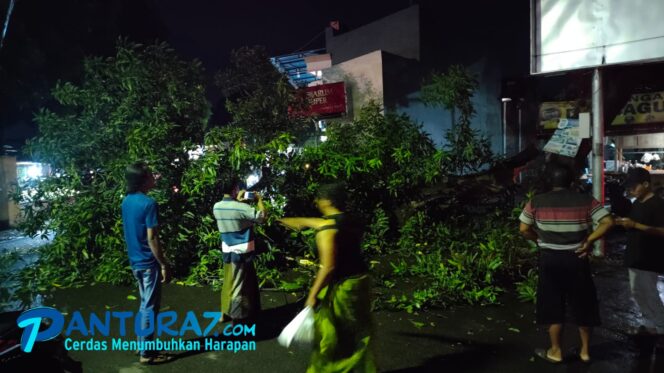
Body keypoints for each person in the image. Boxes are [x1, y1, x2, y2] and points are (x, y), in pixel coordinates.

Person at [519, 165, 613, 363]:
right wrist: (589, 240)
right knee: (583, 304)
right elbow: (607, 222)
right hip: (577, 258)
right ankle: (585, 351)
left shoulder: (536, 201)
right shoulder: (586, 200)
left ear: (550, 182)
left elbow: (523, 228)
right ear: (572, 181)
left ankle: (556, 351)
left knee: (553, 305)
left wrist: (538, 239)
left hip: (549, 260)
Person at [279, 183, 375, 372]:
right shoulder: (352, 220)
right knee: (358, 333)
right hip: (361, 282)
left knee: (334, 338)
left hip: (342, 287)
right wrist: (301, 220)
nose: (316, 202)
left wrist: (312, 295)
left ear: (328, 201)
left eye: (319, 198)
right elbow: (328, 222)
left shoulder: (327, 231)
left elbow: (329, 266)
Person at [121, 161, 172, 364]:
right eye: (150, 175)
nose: (154, 178)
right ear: (143, 180)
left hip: (135, 260)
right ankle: (147, 353)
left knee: (144, 305)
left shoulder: (127, 201)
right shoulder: (149, 204)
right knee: (150, 307)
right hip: (148, 263)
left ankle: (142, 345)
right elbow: (152, 238)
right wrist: (164, 263)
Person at [615, 167, 664, 336]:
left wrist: (635, 225)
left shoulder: (658, 204)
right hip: (635, 254)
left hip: (649, 256)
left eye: (634, 187)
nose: (631, 190)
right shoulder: (637, 203)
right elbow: (633, 223)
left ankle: (661, 326)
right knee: (637, 292)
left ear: (646, 184)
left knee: (649, 292)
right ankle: (650, 324)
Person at [213, 178, 265, 324]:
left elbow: (236, 215)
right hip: (241, 252)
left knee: (228, 282)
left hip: (227, 250)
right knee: (238, 286)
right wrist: (259, 200)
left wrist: (240, 202)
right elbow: (261, 217)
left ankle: (224, 313)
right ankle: (238, 320)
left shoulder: (216, 206)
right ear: (235, 188)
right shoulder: (241, 208)